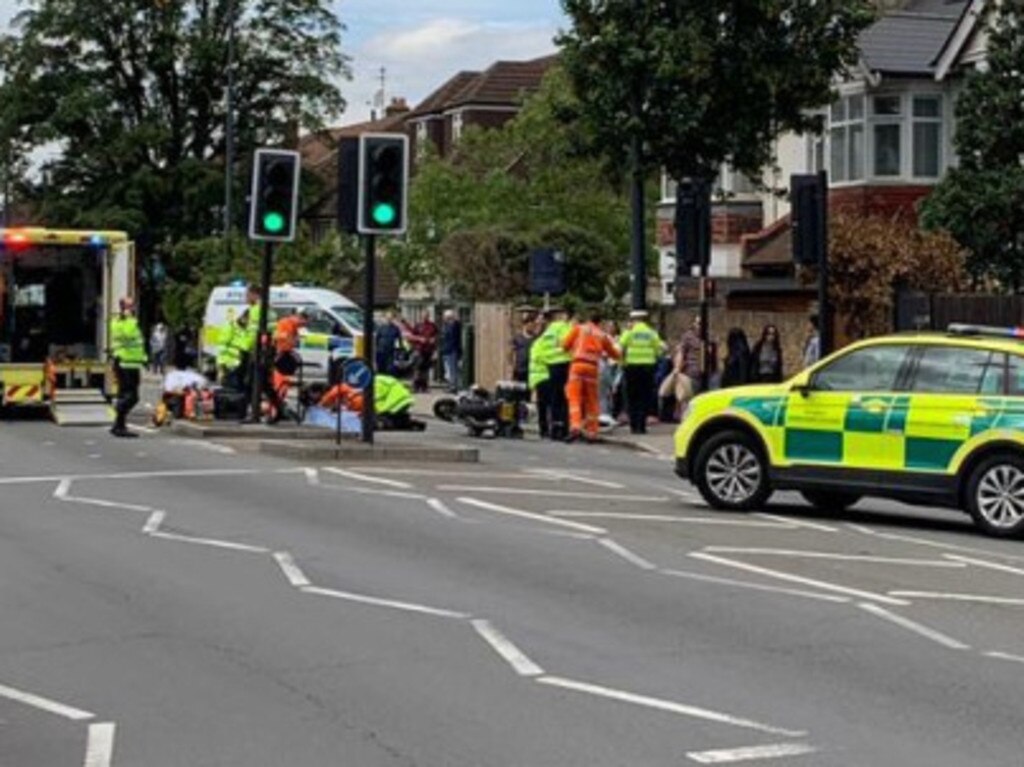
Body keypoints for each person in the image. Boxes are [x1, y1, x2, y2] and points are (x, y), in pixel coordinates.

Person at [562, 308, 620, 443]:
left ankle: (575, 426)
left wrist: (569, 349)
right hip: (592, 368)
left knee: (574, 398)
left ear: (588, 319)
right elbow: (613, 353)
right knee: (591, 400)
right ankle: (592, 431)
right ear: (600, 322)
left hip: (577, 366)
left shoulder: (579, 328)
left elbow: (565, 345)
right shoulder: (602, 334)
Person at [619, 310, 665, 435]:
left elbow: (620, 347)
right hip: (648, 368)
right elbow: (660, 349)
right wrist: (655, 358)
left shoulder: (629, 332)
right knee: (645, 397)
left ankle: (634, 426)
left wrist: (622, 362)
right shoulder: (651, 333)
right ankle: (642, 426)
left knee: (633, 396)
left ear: (633, 320)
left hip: (631, 367)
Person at [109, 296, 148, 437]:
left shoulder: (129, 322)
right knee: (131, 397)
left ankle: (119, 426)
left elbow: (137, 343)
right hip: (124, 363)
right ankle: (118, 422)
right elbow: (128, 335)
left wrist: (144, 358)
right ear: (123, 308)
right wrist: (130, 319)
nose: (133, 308)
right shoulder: (120, 322)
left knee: (128, 395)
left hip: (131, 363)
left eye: (133, 306)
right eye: (129, 306)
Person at [537, 307, 573, 440]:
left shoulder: (548, 332)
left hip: (550, 367)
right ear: (558, 316)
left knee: (554, 399)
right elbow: (569, 343)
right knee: (564, 398)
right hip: (564, 364)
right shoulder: (563, 327)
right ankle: (563, 428)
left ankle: (555, 429)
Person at [528, 314, 551, 439]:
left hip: (546, 375)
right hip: (539, 376)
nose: (538, 325)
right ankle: (545, 429)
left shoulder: (546, 338)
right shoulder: (536, 339)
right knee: (542, 405)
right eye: (537, 322)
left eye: (541, 322)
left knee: (547, 404)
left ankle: (547, 429)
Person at [412, 312, 438, 393]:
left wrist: (434, 340)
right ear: (421, 316)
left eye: (426, 316)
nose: (425, 317)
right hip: (419, 350)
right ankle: (416, 387)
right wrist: (419, 339)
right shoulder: (418, 325)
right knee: (417, 369)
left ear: (428, 316)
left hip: (428, 350)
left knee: (425, 370)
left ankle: (424, 387)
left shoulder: (432, 325)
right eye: (423, 316)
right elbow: (412, 337)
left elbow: (437, 336)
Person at [440, 309, 463, 393]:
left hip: (452, 350)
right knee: (448, 370)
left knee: (453, 370)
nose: (444, 319)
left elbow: (457, 325)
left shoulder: (454, 325)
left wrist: (455, 318)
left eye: (445, 317)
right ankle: (450, 385)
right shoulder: (446, 326)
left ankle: (454, 387)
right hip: (446, 350)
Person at [511, 313, 537, 385]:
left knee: (528, 392)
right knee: (518, 391)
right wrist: (513, 368)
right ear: (524, 325)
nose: (531, 327)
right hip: (519, 370)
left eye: (533, 325)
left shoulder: (536, 339)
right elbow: (513, 354)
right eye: (529, 324)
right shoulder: (517, 338)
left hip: (531, 370)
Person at [375, 311, 403, 376]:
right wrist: (377, 348)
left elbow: (399, 340)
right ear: (386, 318)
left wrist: (399, 350)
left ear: (392, 319)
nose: (389, 320)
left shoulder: (395, 328)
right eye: (388, 318)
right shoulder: (381, 328)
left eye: (390, 318)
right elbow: (377, 339)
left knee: (389, 369)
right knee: (381, 368)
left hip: (390, 351)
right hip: (381, 351)